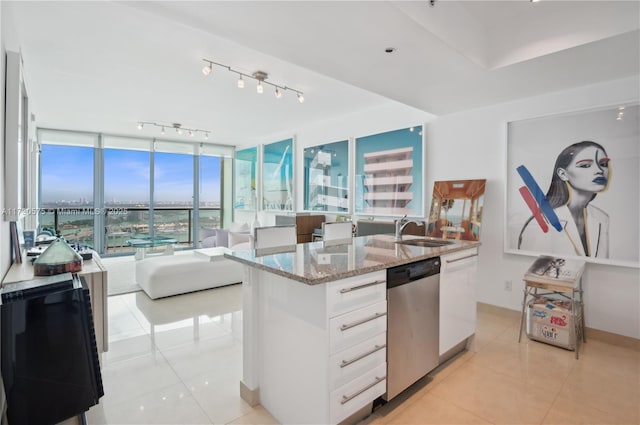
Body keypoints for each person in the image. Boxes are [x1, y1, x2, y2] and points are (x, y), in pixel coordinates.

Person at [518, 141, 610, 258]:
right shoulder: (542, 223)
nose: (599, 170)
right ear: (562, 174)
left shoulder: (602, 218)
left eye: (603, 164)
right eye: (585, 165)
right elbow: (534, 270)